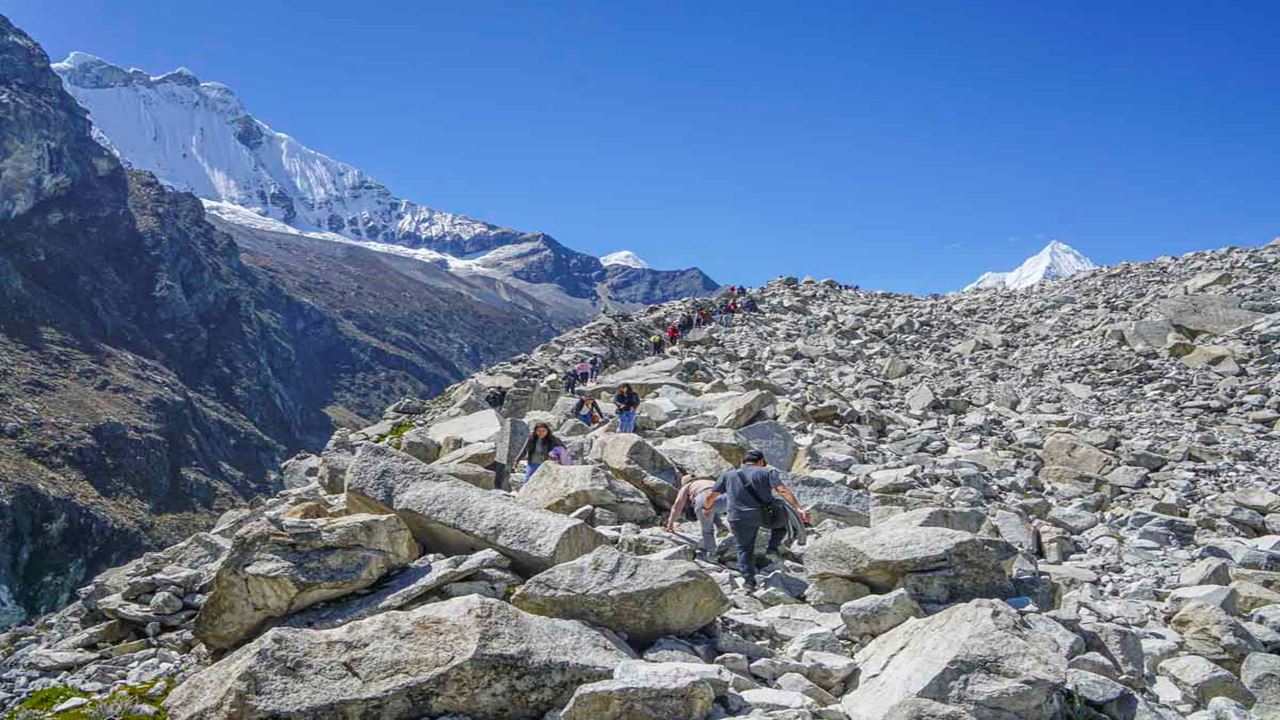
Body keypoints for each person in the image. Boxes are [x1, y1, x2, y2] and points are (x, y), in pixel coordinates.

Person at [703, 450, 808, 590]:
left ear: (743, 462)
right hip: (764, 515)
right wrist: (798, 508)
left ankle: (749, 582)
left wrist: (707, 508)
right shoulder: (768, 472)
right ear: (760, 462)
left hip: (737, 517)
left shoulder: (728, 474)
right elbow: (782, 490)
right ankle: (772, 549)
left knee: (744, 548)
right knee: (783, 522)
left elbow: (711, 495)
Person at [666, 476, 727, 555]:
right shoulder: (709, 481)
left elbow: (678, 505)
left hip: (704, 499)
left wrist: (670, 524)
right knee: (712, 509)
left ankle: (711, 553)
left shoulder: (687, 486)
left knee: (707, 530)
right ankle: (721, 527)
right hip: (725, 498)